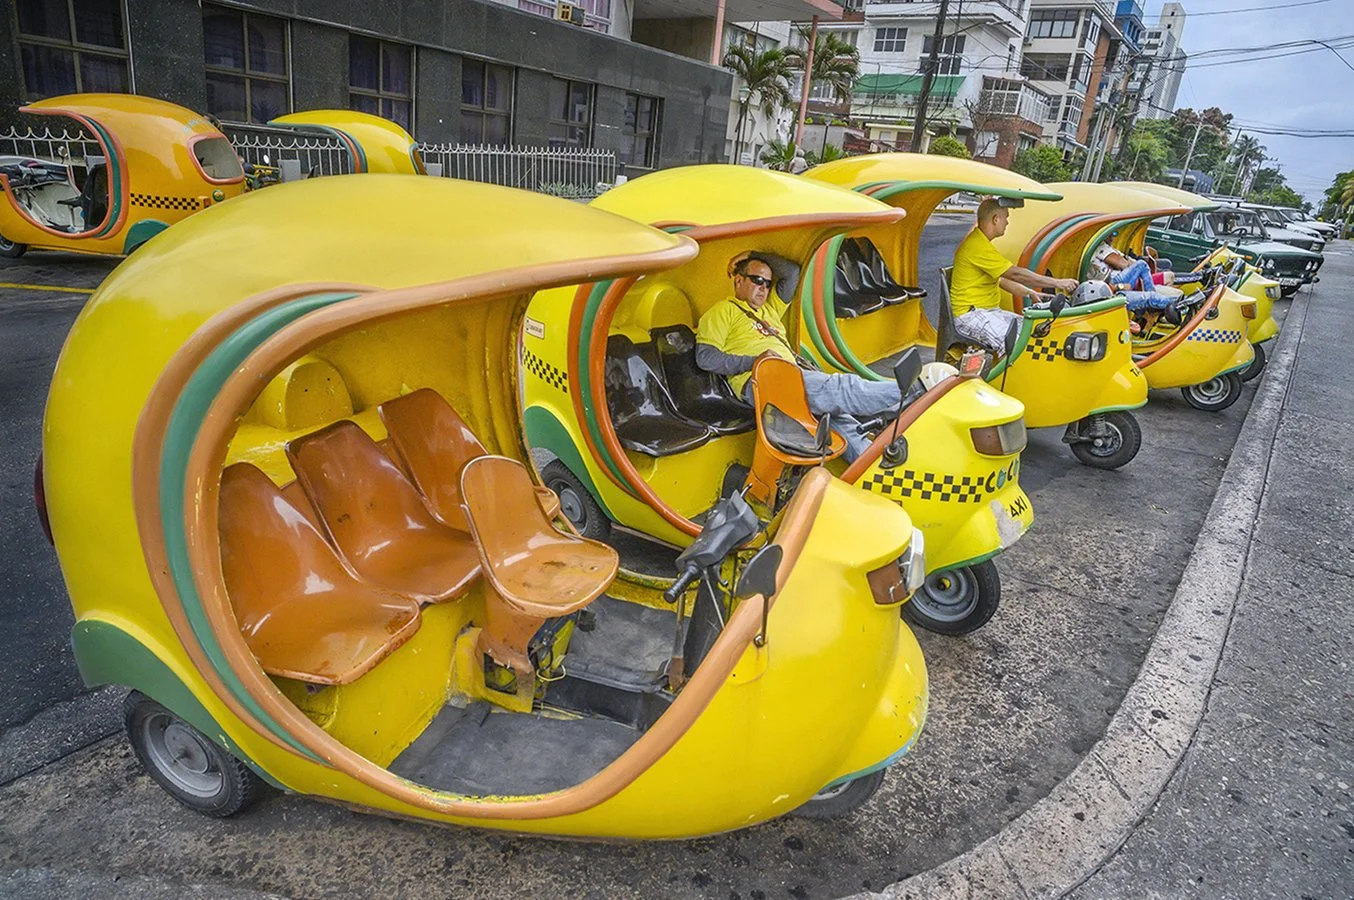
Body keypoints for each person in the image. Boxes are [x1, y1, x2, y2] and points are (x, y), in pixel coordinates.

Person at [695, 252, 900, 462]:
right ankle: (908, 393)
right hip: (760, 380)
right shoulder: (722, 311)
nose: (764, 288)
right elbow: (706, 357)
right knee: (840, 387)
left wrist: (753, 254)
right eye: (757, 280)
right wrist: (756, 361)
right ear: (739, 281)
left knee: (840, 422)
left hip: (790, 374)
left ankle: (875, 467)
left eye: (768, 283)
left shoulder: (769, 310)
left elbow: (792, 273)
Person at [950, 198, 1079, 351]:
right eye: (1006, 217)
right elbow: (1015, 274)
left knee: (1031, 331)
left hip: (988, 311)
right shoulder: (976, 246)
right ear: (996, 219)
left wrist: (1029, 293)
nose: (1007, 222)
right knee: (1017, 345)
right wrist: (1057, 283)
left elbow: (1001, 280)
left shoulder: (981, 242)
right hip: (970, 315)